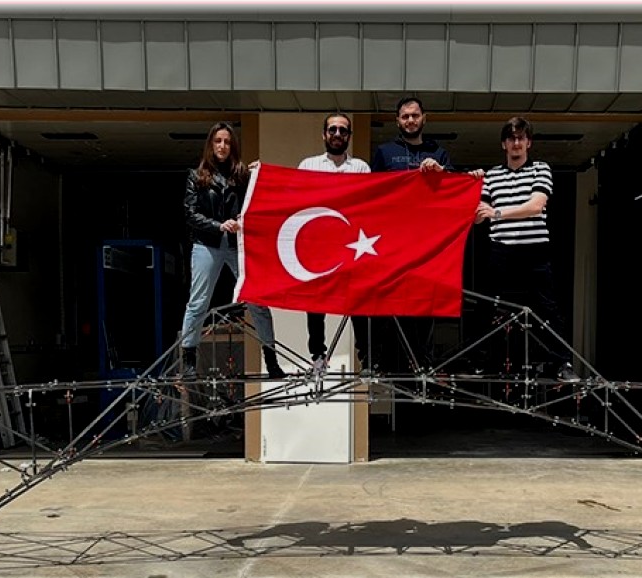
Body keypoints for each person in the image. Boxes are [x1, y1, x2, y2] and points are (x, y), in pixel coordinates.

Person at [370, 97, 483, 372]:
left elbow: (454, 190)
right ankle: (386, 362)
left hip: (427, 244)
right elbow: (371, 193)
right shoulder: (384, 153)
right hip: (392, 242)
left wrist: (444, 173)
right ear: (397, 121)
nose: (410, 120)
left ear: (424, 118)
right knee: (389, 302)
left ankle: (422, 361)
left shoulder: (439, 152)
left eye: (415, 115)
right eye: (405, 116)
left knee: (425, 301)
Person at [474, 116, 578, 382]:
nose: (516, 143)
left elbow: (535, 206)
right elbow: (478, 215)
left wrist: (496, 212)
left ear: (528, 142)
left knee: (548, 309)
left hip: (534, 249)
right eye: (511, 138)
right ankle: (483, 361)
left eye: (521, 138)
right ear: (504, 144)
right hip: (501, 249)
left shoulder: (541, 169)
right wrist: (469, 187)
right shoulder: (492, 175)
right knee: (488, 306)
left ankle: (561, 363)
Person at [179, 121, 285, 379]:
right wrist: (219, 225)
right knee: (198, 301)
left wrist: (262, 174)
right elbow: (190, 213)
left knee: (257, 299)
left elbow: (261, 201)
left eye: (227, 142)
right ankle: (189, 360)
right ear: (210, 145)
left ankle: (270, 359)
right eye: (218, 141)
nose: (222, 146)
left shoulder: (242, 175)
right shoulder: (197, 176)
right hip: (208, 243)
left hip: (238, 245)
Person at [297, 113, 372, 373]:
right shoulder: (308, 165)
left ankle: (368, 357)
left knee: (358, 301)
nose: (337, 134)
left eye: (343, 130)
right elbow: (296, 199)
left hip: (352, 243)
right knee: (315, 302)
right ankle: (318, 355)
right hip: (319, 244)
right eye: (332, 130)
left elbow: (368, 202)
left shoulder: (361, 168)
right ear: (324, 134)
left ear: (349, 136)